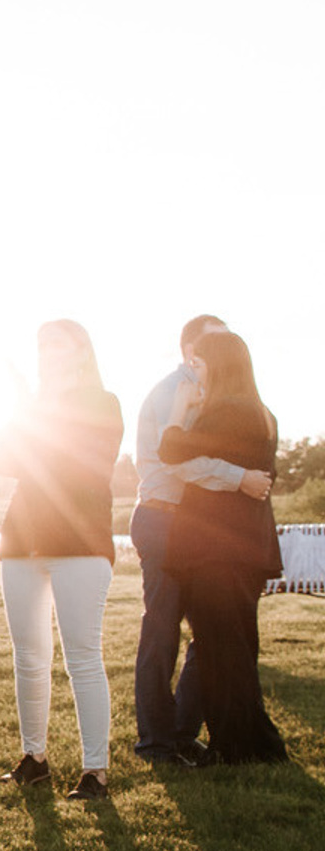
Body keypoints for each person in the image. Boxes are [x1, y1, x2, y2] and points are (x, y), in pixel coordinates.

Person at [131, 315, 273, 764]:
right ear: (191, 350)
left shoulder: (217, 396)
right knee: (162, 630)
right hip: (164, 518)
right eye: (215, 342)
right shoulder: (174, 392)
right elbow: (178, 461)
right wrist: (240, 477)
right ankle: (156, 742)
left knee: (208, 634)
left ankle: (181, 732)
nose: (223, 350)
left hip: (195, 528)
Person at [0, 322, 124, 800]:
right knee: (28, 657)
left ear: (82, 351)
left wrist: (36, 418)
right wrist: (25, 408)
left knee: (82, 657)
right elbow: (0, 460)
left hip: (80, 543)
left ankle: (95, 772)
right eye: (42, 344)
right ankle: (34, 760)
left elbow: (78, 463)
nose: (47, 351)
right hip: (20, 542)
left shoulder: (103, 403)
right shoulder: (32, 406)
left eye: (58, 343)